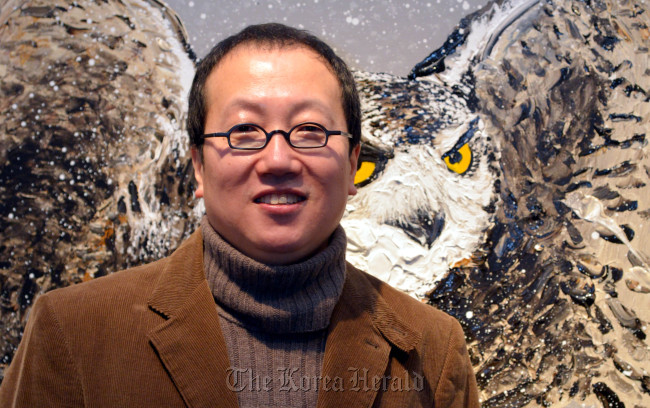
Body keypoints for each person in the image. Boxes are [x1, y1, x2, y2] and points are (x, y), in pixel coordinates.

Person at [0, 23, 479, 407]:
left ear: (351, 163)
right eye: (244, 131)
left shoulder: (432, 349)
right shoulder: (73, 330)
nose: (278, 160)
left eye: (310, 130)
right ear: (198, 166)